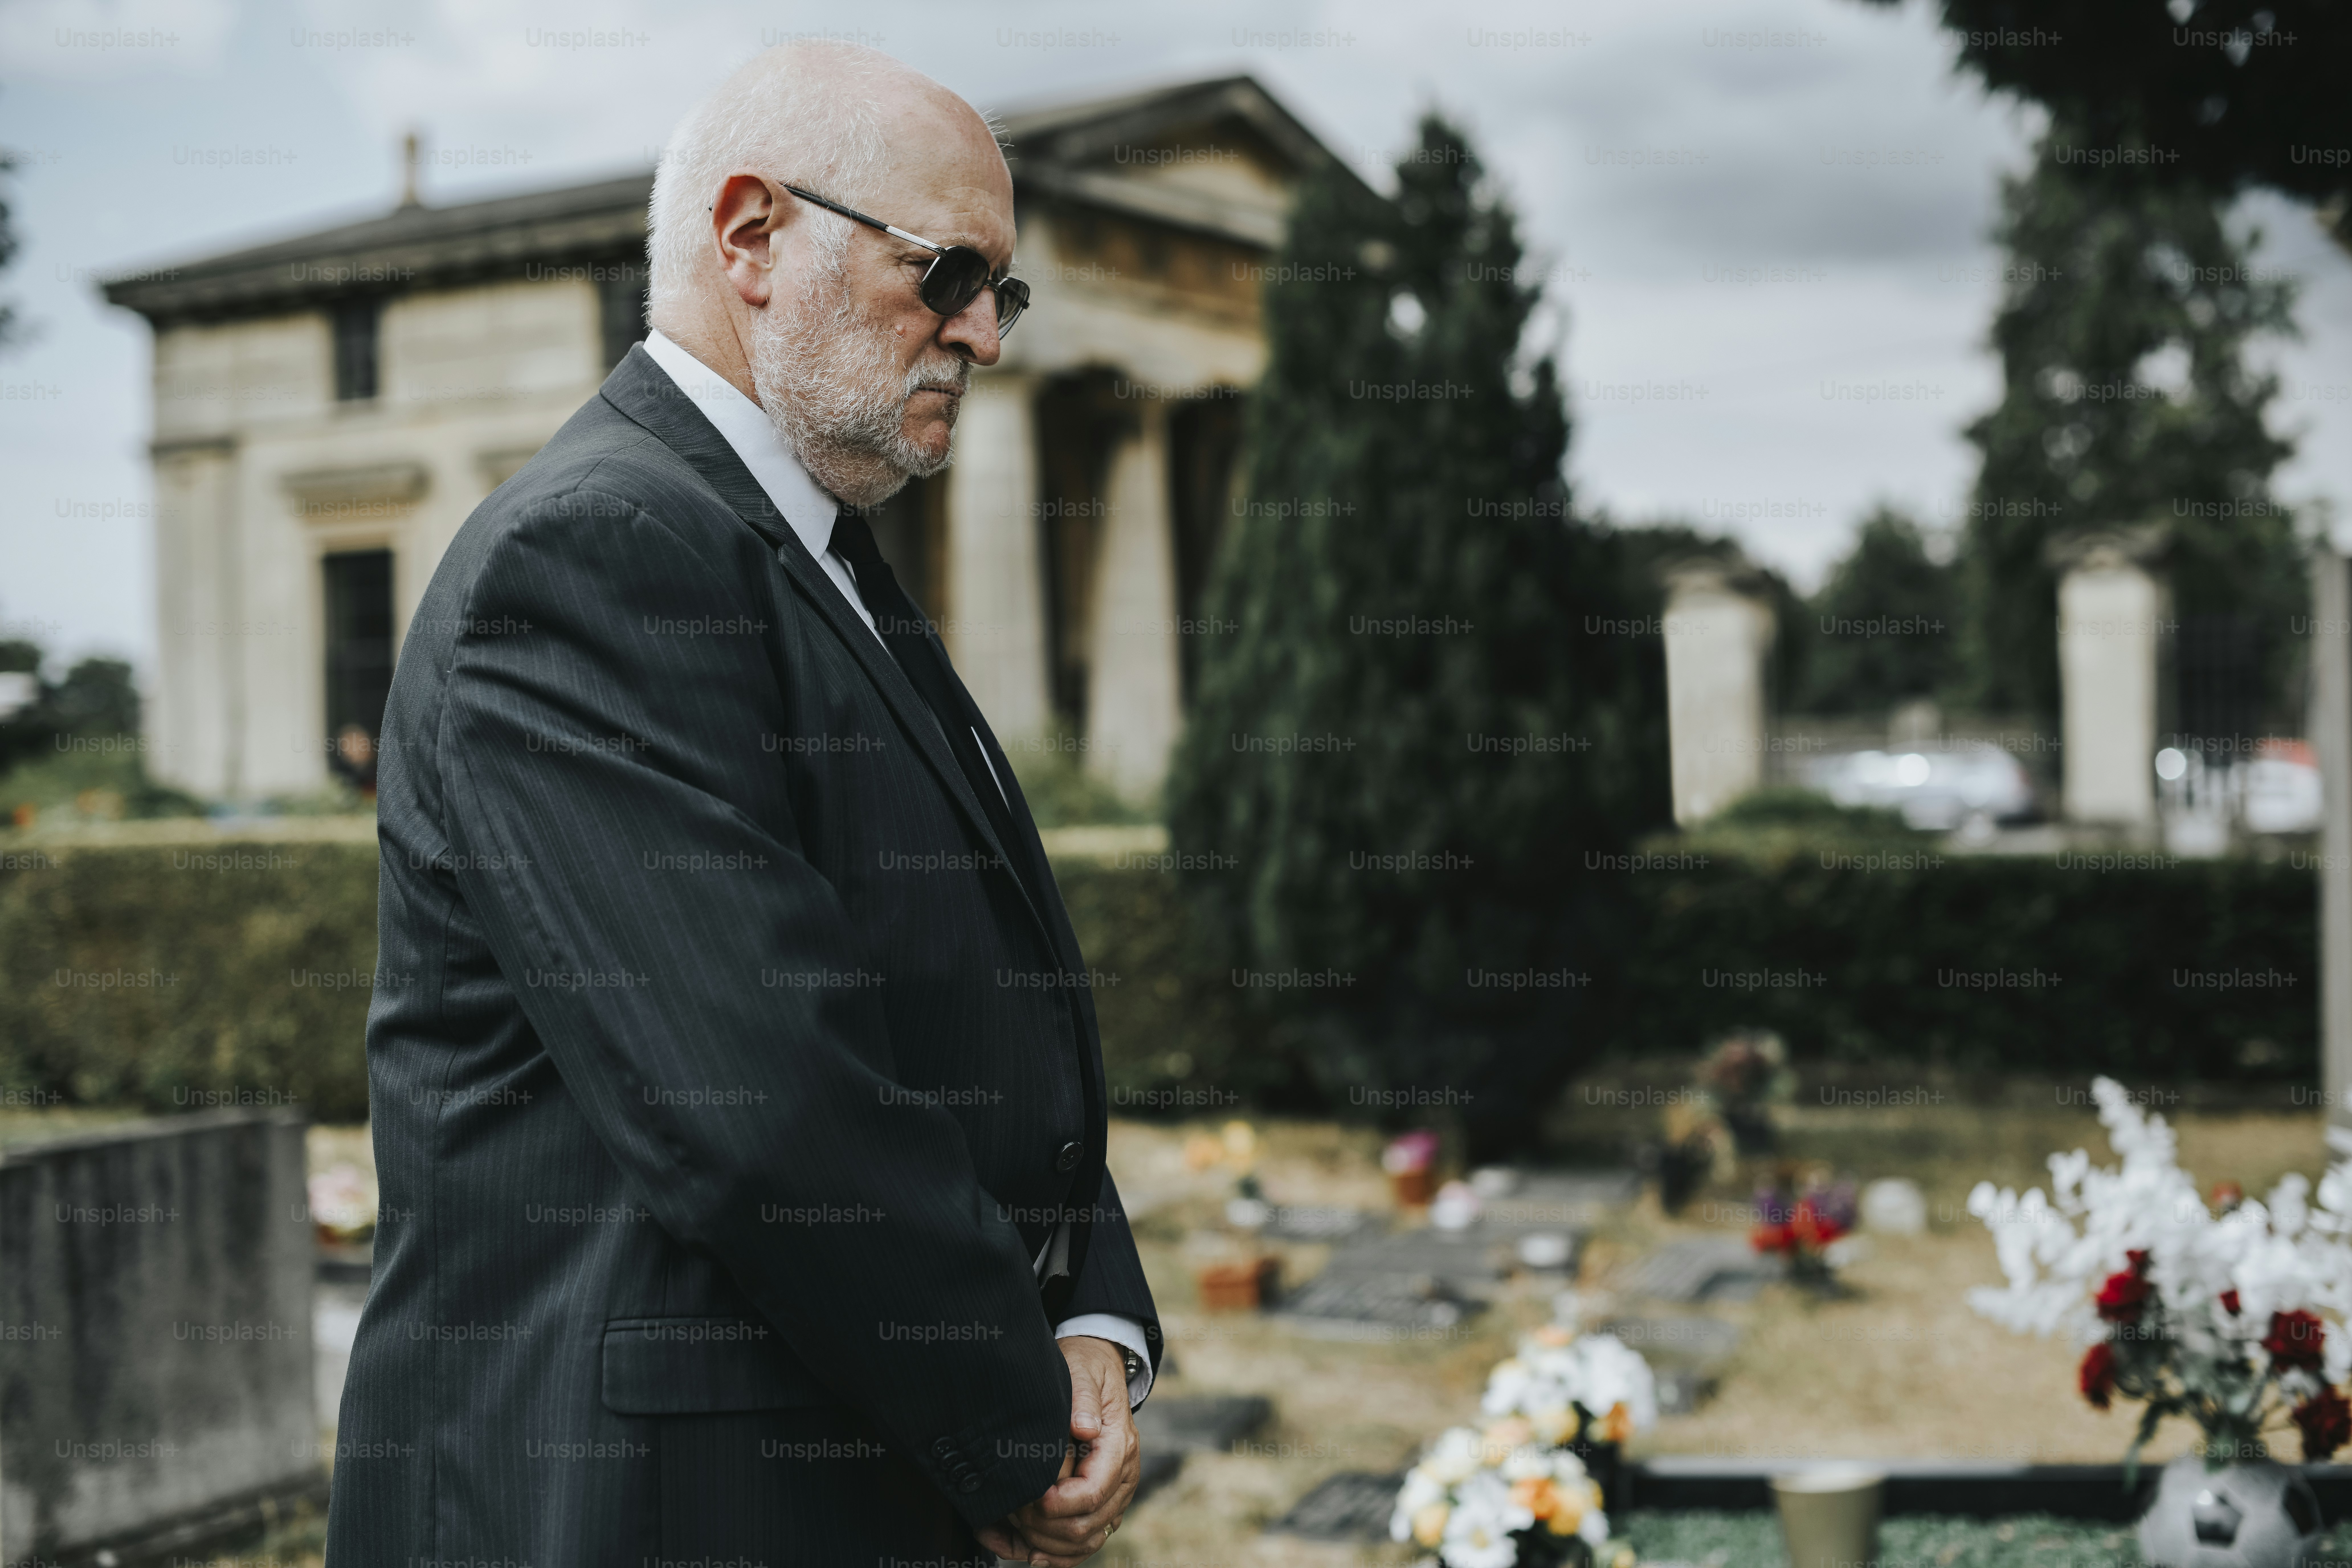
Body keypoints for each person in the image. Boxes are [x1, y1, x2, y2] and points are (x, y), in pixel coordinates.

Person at [324, 42, 1156, 1568]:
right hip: (643, 1505)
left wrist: (1092, 1312)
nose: (983, 333)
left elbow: (974, 1003)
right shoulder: (593, 557)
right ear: (753, 237)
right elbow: (763, 1104)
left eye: (1004, 292)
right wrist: (1011, 1412)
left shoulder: (807, 556)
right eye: (948, 272)